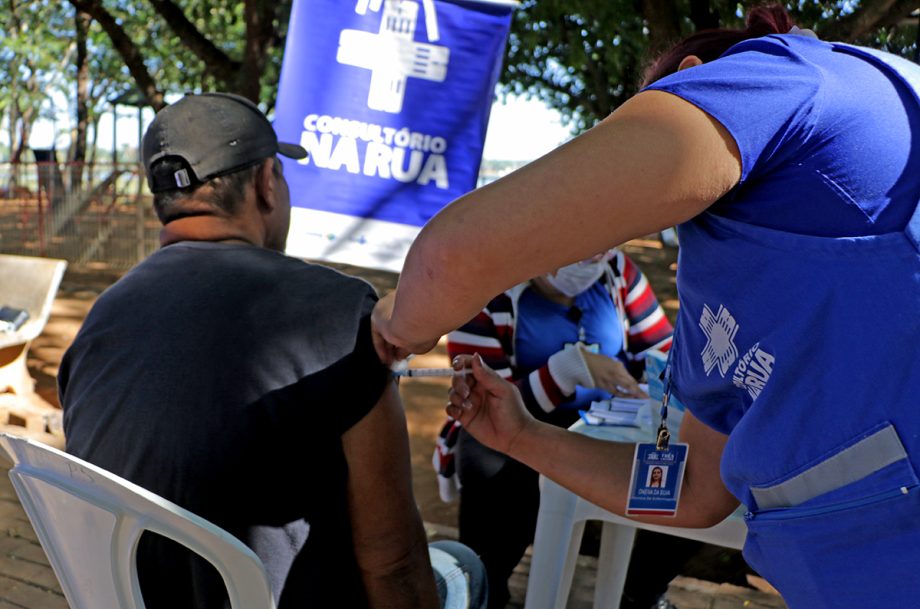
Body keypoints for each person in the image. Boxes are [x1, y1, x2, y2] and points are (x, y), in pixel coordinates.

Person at [373, 5, 920, 609]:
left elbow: (451, 258)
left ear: (692, 75)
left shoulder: (779, 79)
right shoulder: (725, 278)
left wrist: (397, 323)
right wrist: (521, 436)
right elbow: (689, 490)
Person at [58, 92, 486, 609]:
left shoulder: (97, 324)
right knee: (463, 568)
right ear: (266, 183)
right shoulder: (338, 313)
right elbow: (393, 562)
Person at [435, 248, 686, 609]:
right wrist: (568, 370)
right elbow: (483, 407)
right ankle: (487, 589)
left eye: (605, 241)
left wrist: (654, 385)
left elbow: (664, 352)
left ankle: (641, 592)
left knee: (690, 462)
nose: (595, 254)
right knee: (484, 456)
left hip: (609, 429)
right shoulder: (484, 288)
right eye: (580, 244)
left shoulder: (616, 270)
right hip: (522, 435)